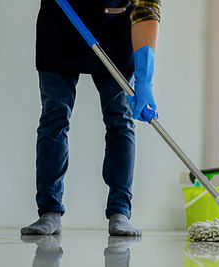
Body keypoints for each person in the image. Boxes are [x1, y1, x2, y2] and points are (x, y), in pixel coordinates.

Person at [21, 0, 161, 236]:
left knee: (119, 119)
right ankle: (49, 211)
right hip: (59, 27)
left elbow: (146, 11)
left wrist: (144, 79)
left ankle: (120, 212)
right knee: (54, 117)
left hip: (114, 34)